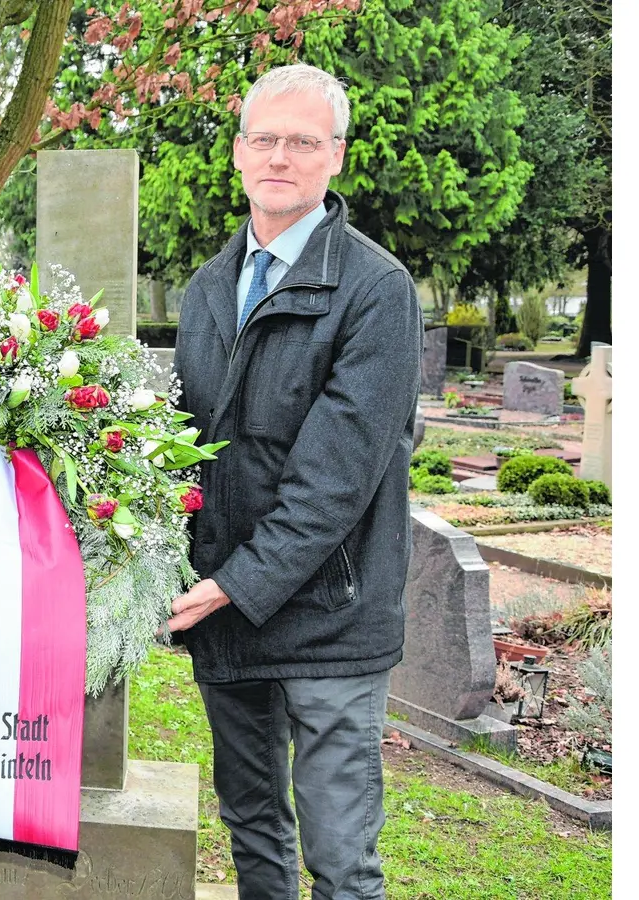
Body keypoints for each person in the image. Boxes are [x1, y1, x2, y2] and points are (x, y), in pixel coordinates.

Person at [167, 64, 421, 899]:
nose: (281, 157)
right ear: (239, 153)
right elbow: (186, 446)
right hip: (229, 618)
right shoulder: (208, 287)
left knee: (341, 861)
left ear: (335, 157)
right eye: (265, 139)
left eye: (303, 142)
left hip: (329, 620)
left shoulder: (376, 291)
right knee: (254, 835)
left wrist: (232, 585)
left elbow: (334, 480)